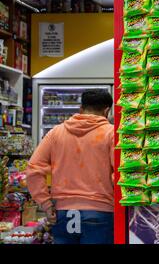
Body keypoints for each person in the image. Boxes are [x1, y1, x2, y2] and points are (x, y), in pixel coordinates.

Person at [26, 89, 114, 244]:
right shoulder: (111, 133)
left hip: (63, 213)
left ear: (81, 108)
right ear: (107, 110)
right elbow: (119, 174)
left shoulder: (56, 132)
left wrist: (46, 204)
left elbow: (34, 168)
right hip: (100, 212)